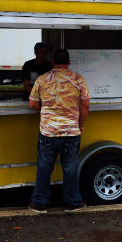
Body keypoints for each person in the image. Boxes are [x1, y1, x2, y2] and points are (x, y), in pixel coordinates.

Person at [28, 49, 90, 213]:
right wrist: (81, 124)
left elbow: (33, 105)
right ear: (69, 62)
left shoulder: (42, 79)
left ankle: (39, 203)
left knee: (44, 167)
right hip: (71, 132)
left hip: (48, 132)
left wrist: (47, 109)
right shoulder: (78, 79)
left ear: (53, 62)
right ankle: (73, 202)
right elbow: (85, 105)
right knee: (70, 169)